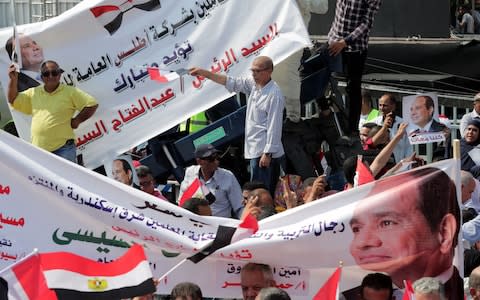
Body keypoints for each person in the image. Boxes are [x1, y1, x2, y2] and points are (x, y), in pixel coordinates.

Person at [349, 167, 462, 299]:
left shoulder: (461, 293)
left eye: (386, 223)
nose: (362, 242)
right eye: (357, 228)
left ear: (444, 232)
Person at [189, 56, 285, 196]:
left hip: (264, 154)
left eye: (257, 71)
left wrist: (268, 153)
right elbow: (231, 82)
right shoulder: (255, 85)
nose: (254, 74)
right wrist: (205, 73)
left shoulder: (274, 94)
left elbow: (274, 126)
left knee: (261, 195)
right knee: (256, 193)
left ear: (269, 71)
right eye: (253, 71)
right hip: (256, 151)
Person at [7, 60, 98, 162]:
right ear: (42, 77)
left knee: (65, 178)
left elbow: (92, 104)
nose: (50, 76)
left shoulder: (70, 92)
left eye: (54, 73)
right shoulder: (33, 93)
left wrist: (77, 120)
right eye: (46, 74)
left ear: (59, 75)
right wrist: (13, 80)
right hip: (40, 151)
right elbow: (13, 100)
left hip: (63, 149)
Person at [327, 0, 382, 134]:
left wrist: (345, 42)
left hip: (355, 49)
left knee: (353, 88)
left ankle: (352, 129)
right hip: (333, 41)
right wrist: (335, 40)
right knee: (318, 74)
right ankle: (326, 113)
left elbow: (366, 24)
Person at [272, 0, 327, 125]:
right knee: (271, 76)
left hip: (294, 39)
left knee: (289, 76)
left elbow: (323, 7)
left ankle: (292, 118)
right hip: (272, 38)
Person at [178, 144, 244, 218]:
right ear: (199, 161)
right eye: (211, 159)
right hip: (195, 223)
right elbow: (182, 203)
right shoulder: (190, 172)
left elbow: (239, 207)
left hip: (219, 223)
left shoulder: (227, 176)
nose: (216, 162)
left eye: (217, 158)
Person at [372, 93, 412, 163]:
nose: (381, 108)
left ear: (393, 106)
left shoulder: (403, 124)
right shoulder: (374, 122)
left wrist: (407, 164)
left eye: (385, 105)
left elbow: (409, 147)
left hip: (398, 164)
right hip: (379, 164)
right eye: (380, 105)